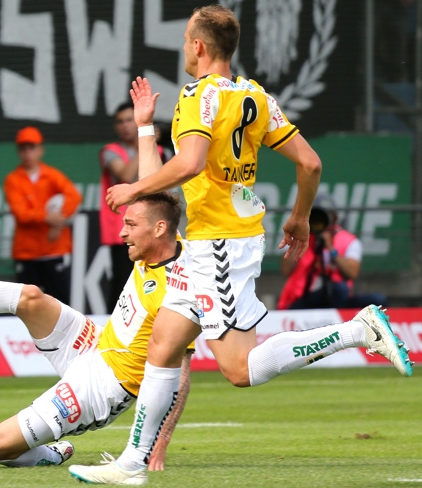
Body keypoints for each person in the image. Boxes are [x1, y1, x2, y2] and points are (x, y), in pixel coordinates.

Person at [75, 5, 413, 484]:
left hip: (220, 246)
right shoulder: (255, 96)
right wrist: (299, 217)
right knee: (162, 346)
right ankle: (132, 464)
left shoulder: (196, 96)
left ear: (198, 46)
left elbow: (189, 163)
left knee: (239, 369)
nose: (184, 52)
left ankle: (357, 331)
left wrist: (131, 189)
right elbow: (310, 164)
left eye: (186, 42)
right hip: (210, 246)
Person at [0, 191, 192, 473]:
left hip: (102, 388)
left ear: (158, 229)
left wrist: (157, 444)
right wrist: (145, 128)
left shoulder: (179, 292)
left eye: (130, 225)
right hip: (95, 343)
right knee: (30, 297)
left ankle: (49, 455)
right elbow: (160, 195)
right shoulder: (162, 241)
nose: (122, 232)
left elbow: (176, 370)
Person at [100, 103, 168, 310]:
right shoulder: (110, 151)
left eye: (130, 120)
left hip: (153, 228)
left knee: (157, 278)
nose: (125, 126)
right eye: (120, 122)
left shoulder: (162, 152)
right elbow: (126, 176)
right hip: (121, 230)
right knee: (123, 283)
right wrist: (146, 141)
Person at [4, 126, 82, 305]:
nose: (27, 152)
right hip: (27, 252)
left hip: (54, 248)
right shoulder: (13, 180)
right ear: (18, 152)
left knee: (60, 304)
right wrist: (48, 218)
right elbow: (21, 214)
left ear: (40, 150)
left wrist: (57, 222)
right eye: (23, 148)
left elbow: (74, 196)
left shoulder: (52, 175)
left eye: (31, 147)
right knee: (27, 306)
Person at [278, 194, 388, 310]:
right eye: (315, 216)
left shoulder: (349, 241)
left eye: (324, 216)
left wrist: (331, 249)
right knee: (337, 290)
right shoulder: (301, 238)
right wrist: (299, 237)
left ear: (334, 218)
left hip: (339, 296)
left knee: (377, 300)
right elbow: (286, 270)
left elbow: (352, 273)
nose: (319, 221)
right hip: (304, 298)